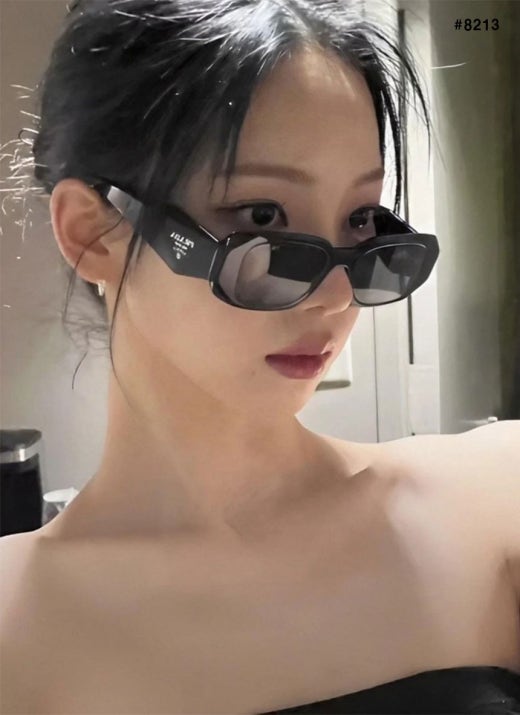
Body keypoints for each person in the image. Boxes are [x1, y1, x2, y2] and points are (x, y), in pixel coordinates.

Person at [1, 1, 519, 713]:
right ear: (94, 234)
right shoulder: (16, 628)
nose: (336, 295)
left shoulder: (496, 496)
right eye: (262, 217)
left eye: (360, 219)